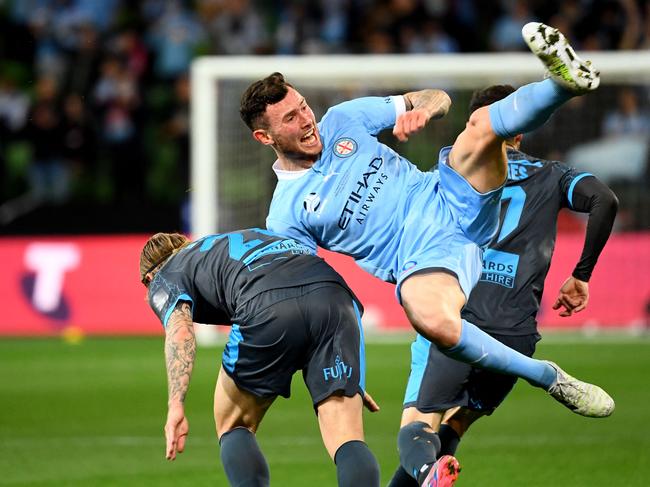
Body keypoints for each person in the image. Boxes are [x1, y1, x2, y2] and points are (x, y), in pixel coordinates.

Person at [240, 22, 613, 486]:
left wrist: (422, 110)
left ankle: (561, 84)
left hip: (447, 196)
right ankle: (547, 376)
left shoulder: (343, 118)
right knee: (429, 318)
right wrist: (334, 360)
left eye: (303, 107)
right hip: (421, 262)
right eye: (291, 119)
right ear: (265, 138)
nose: (307, 120)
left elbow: (435, 97)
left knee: (480, 126)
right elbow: (311, 294)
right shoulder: (287, 215)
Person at [387, 84, 619, 487]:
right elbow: (605, 200)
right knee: (454, 428)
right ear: (519, 131)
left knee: (417, 426)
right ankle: (435, 472)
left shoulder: (452, 172)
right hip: (516, 332)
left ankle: (429, 471)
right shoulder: (552, 175)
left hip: (458, 317)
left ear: (472, 127)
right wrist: (581, 274)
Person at [139, 228, 381, 487]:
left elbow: (180, 331)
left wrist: (176, 403)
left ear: (150, 276)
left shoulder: (163, 277)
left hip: (266, 303)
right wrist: (346, 371)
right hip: (334, 295)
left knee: (233, 424)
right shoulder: (219, 244)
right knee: (346, 435)